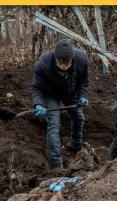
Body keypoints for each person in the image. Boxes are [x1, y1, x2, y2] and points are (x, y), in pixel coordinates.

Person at [30, 39, 89, 169]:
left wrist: (83, 96)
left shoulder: (82, 59)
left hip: (71, 92)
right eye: (60, 64)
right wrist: (38, 104)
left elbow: (84, 81)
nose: (63, 67)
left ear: (72, 59)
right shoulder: (43, 63)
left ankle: (75, 144)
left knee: (79, 117)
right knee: (54, 125)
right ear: (55, 58)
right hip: (51, 94)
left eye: (66, 64)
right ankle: (57, 165)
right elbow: (36, 88)